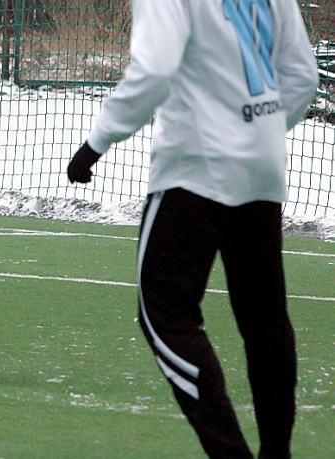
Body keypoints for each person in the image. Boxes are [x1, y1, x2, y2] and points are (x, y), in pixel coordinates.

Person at [67, 1, 318, 458]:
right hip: (262, 170)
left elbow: (155, 68)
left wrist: (97, 141)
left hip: (195, 170)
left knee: (164, 312)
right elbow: (302, 76)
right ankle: (276, 452)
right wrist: (255, 135)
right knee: (264, 320)